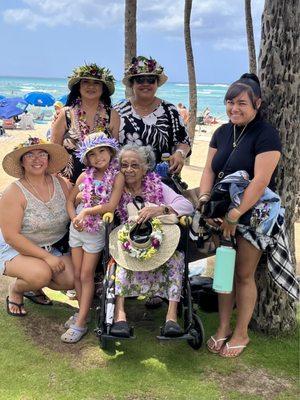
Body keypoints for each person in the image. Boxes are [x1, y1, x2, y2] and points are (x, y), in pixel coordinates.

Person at [199, 73, 298, 357]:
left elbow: (261, 180)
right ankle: (222, 327)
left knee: (243, 273)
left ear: (257, 103)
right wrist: (206, 200)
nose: (234, 109)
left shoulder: (265, 133)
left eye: (241, 103)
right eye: (230, 103)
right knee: (224, 270)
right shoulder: (221, 131)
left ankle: (241, 332)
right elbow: (209, 169)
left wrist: (235, 214)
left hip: (254, 212)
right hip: (221, 210)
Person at [107, 144, 194, 338]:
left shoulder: (157, 185)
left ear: (145, 167)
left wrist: (160, 209)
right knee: (120, 262)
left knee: (176, 259)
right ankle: (120, 317)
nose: (128, 170)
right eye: (124, 165)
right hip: (130, 241)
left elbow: (186, 205)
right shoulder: (116, 187)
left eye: (135, 165)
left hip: (159, 242)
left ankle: (171, 318)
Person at [0, 137, 74, 317]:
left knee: (71, 278)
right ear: (22, 162)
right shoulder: (14, 192)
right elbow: (11, 236)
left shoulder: (62, 184)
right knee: (40, 274)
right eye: (30, 155)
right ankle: (17, 289)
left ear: (48, 159)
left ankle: (33, 288)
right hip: (17, 248)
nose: (37, 159)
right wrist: (47, 258)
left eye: (42, 154)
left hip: (52, 246)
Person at [61, 133, 124, 343]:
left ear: (111, 151)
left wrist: (86, 213)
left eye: (102, 151)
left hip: (96, 230)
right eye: (92, 154)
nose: (98, 157)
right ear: (86, 159)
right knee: (77, 274)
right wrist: (74, 218)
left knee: (87, 274)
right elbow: (70, 201)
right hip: (77, 228)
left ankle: (80, 324)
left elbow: (110, 206)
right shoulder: (83, 176)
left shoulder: (117, 176)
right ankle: (83, 314)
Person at [115, 56, 191, 175]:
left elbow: (183, 141)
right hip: (125, 179)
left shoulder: (169, 110)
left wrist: (180, 153)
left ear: (157, 84)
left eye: (151, 80)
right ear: (132, 84)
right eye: (140, 80)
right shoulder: (118, 109)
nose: (146, 84)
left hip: (162, 180)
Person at [51, 63, 120, 183]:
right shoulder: (65, 114)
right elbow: (53, 149)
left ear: (103, 88)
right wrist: (55, 178)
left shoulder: (112, 115)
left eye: (96, 83)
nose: (91, 87)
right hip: (67, 182)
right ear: (78, 86)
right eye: (86, 82)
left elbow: (115, 153)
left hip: (102, 183)